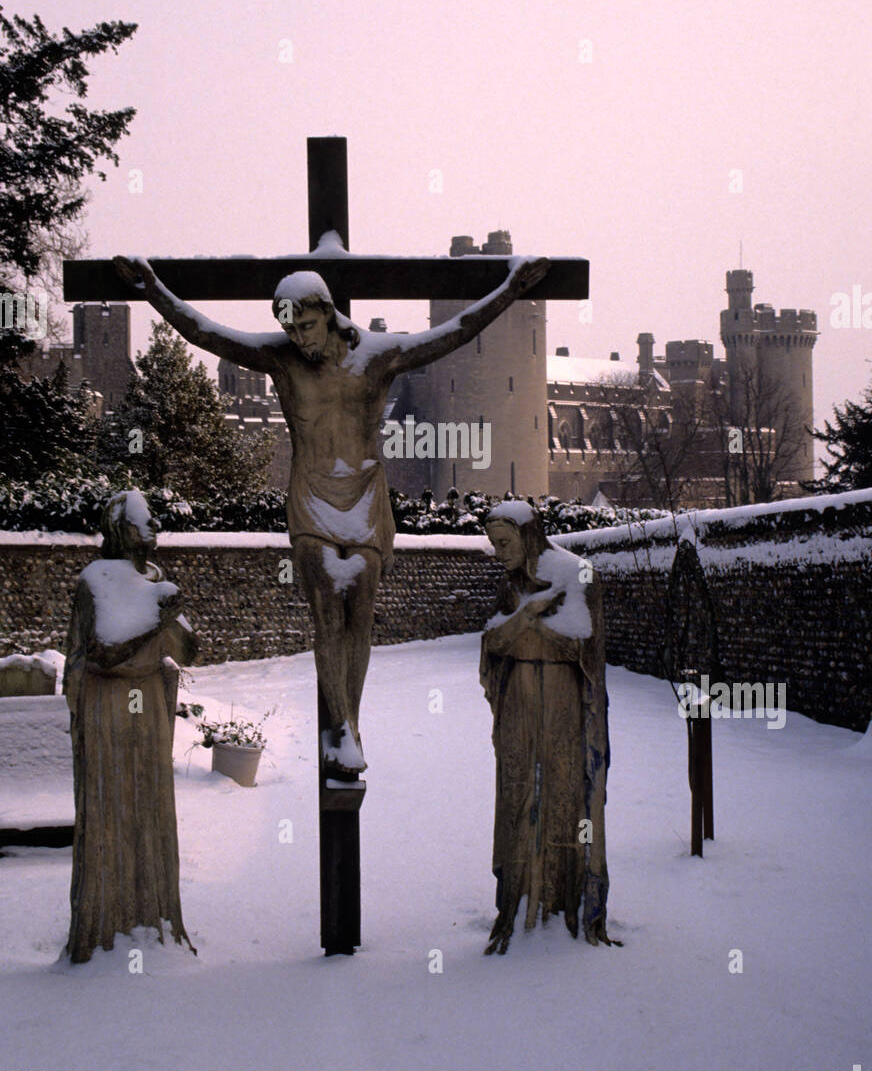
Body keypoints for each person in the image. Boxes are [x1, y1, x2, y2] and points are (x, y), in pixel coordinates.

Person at [114, 250, 548, 780]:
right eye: (291, 330)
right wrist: (153, 289)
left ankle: (351, 722)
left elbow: (454, 332)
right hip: (311, 498)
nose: (301, 339)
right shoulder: (281, 357)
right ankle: (339, 726)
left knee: (361, 605)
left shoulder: (379, 356)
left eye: (309, 326)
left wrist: (509, 291)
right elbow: (207, 333)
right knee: (325, 600)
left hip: (365, 496)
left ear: (329, 312)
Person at [63, 489, 197, 963]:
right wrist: (155, 614)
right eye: (146, 520)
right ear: (122, 527)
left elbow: (186, 651)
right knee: (115, 809)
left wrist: (174, 621)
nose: (155, 526)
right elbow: (102, 650)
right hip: (111, 706)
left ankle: (153, 918)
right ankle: (108, 927)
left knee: (150, 809)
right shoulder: (96, 577)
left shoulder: (155, 578)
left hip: (148, 710)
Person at [480, 502, 617, 954]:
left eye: (505, 543)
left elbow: (585, 648)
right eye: (493, 544)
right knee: (518, 791)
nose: (499, 553)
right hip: (519, 700)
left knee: (565, 793)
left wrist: (533, 635)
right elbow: (493, 644)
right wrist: (527, 617)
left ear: (529, 536)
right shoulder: (511, 588)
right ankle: (520, 898)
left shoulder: (577, 575)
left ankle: (564, 897)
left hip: (563, 704)